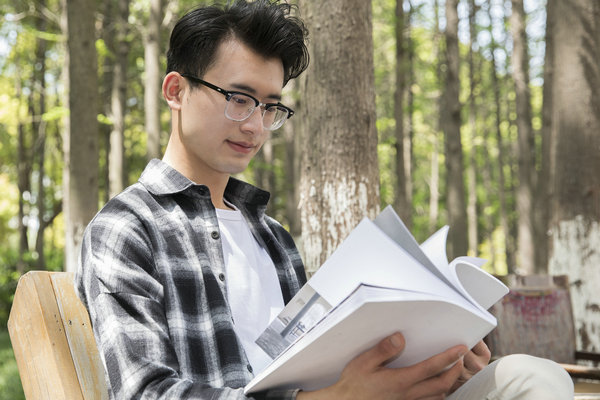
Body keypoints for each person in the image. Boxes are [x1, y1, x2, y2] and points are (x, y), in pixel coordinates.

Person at [76, 1, 574, 399]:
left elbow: (318, 360)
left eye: (270, 106)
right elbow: (146, 391)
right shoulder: (128, 228)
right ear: (175, 90)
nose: (254, 125)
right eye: (238, 97)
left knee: (532, 378)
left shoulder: (272, 238)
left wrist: (438, 365)